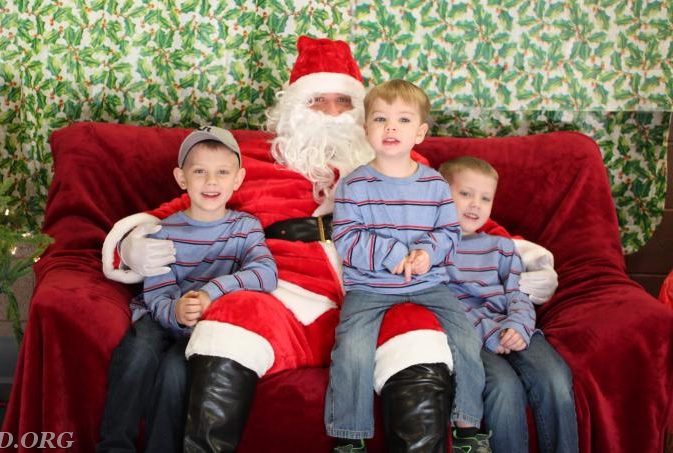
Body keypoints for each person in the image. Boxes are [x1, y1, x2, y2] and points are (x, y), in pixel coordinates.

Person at [103, 36, 559, 452]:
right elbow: (181, 207)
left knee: (419, 335)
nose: (331, 111)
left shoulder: (405, 163)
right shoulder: (254, 161)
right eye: (317, 100)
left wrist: (525, 258)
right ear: (294, 107)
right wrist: (133, 248)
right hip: (288, 294)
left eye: (344, 101)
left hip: (385, 290)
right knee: (236, 316)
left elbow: (460, 219)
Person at [326, 79, 489, 453]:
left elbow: (449, 232)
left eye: (403, 120)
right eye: (380, 119)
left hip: (429, 284)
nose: (391, 128)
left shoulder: (433, 185)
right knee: (351, 348)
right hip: (370, 287)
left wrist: (427, 253)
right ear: (366, 129)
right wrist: (393, 254)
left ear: (420, 133)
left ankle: (467, 428)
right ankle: (350, 437)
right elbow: (347, 238)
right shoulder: (354, 185)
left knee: (466, 338)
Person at [96, 126, 278, 453]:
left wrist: (211, 293)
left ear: (238, 179)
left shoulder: (244, 228)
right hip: (160, 312)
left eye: (222, 172)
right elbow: (157, 290)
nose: (211, 182)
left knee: (175, 372)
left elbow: (265, 274)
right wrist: (176, 312)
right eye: (200, 172)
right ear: (182, 178)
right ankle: (114, 445)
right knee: (138, 352)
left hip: (207, 325)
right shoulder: (162, 231)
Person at [439, 156, 578, 453]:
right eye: (465, 194)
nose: (476, 204)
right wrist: (489, 331)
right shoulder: (431, 251)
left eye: (485, 197)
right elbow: (443, 304)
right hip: (470, 337)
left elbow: (518, 292)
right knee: (504, 387)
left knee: (554, 376)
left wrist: (518, 325)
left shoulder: (501, 247)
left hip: (511, 325)